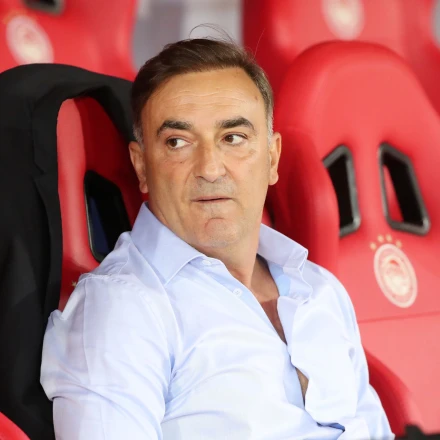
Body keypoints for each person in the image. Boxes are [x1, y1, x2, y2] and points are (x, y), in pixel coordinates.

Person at [40, 38, 394, 440]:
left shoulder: (320, 288)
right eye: (178, 142)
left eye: (233, 138)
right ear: (141, 166)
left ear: (272, 158)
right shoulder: (123, 309)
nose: (209, 168)